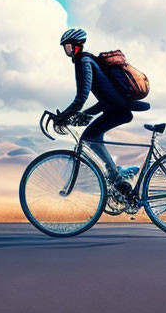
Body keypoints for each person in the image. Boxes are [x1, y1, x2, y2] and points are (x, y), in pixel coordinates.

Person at [55, 28, 150, 192]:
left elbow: (81, 97)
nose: (67, 51)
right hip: (115, 109)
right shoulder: (87, 61)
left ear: (77, 45)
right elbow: (106, 96)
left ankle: (118, 177)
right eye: (65, 47)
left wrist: (64, 116)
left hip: (117, 110)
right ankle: (117, 174)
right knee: (92, 137)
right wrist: (86, 114)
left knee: (90, 136)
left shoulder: (83, 62)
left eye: (69, 46)